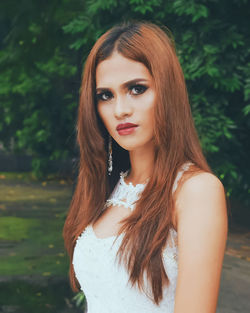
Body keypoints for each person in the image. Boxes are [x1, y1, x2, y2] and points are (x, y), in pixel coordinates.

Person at [63, 21, 228, 313]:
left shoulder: (195, 191)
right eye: (106, 95)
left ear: (166, 91)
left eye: (136, 89)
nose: (120, 110)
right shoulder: (107, 187)